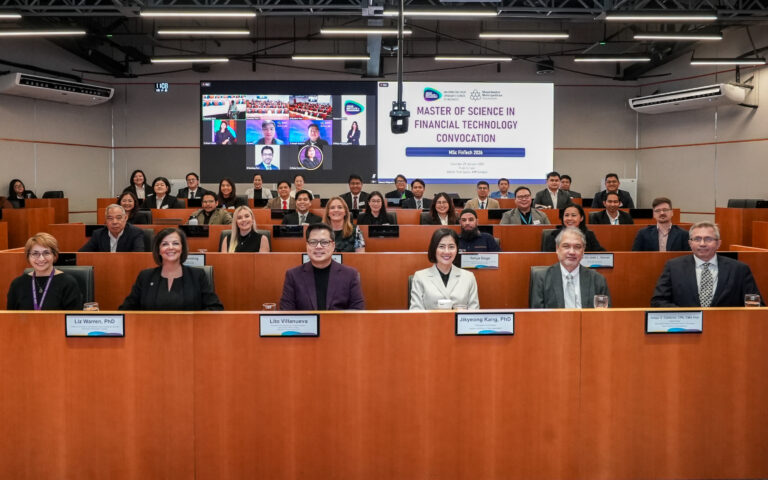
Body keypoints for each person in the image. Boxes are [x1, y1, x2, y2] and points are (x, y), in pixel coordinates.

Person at [651, 221, 762, 307]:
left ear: (718, 243)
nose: (702, 244)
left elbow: (756, 304)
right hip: (686, 331)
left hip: (728, 329)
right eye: (697, 239)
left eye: (708, 239)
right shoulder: (673, 267)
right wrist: (685, 316)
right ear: (690, 243)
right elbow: (658, 301)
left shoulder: (739, 269)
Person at [119, 228, 223, 311]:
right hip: (152, 333)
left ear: (182, 248)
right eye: (165, 244)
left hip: (190, 333)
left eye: (175, 243)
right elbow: (126, 309)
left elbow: (215, 308)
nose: (170, 247)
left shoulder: (198, 275)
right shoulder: (145, 276)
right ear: (158, 250)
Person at [279, 223, 364, 310]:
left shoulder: (350, 275)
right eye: (313, 242)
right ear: (307, 246)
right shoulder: (293, 275)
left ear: (333, 246)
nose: (318, 246)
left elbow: (357, 312)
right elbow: (287, 313)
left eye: (324, 242)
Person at [530, 227, 611, 308]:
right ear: (557, 249)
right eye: (566, 246)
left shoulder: (598, 280)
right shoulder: (542, 279)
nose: (572, 252)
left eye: (577, 247)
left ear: (583, 251)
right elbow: (537, 316)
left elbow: (603, 317)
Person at [6, 232, 83, 310]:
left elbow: (72, 319)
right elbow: (11, 318)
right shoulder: (17, 284)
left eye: (46, 253)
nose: (41, 259)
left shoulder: (68, 283)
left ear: (54, 255)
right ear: (28, 256)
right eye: (35, 253)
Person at [410, 228, 479, 310]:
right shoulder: (420, 277)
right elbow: (416, 313)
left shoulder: (469, 277)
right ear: (434, 249)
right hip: (430, 322)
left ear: (457, 249)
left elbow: (474, 313)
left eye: (451, 247)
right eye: (441, 246)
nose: (447, 251)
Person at [79, 204, 145, 252]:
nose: (114, 222)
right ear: (106, 220)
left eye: (118, 218)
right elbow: (82, 254)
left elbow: (138, 256)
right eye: (110, 218)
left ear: (125, 218)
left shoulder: (135, 233)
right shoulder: (98, 234)